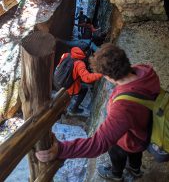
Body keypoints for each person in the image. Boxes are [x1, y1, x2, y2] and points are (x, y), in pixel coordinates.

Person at [36, 43, 160, 181]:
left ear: (107, 76)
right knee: (136, 152)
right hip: (143, 131)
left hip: (127, 139)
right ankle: (135, 170)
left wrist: (61, 150)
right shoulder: (146, 71)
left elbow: (98, 143)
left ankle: (116, 174)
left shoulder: (123, 108)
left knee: (116, 152)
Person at [57, 46, 102, 115]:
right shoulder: (79, 64)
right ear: (83, 53)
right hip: (69, 87)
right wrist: (100, 74)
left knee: (72, 89)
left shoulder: (66, 55)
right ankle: (74, 109)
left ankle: (64, 103)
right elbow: (87, 78)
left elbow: (60, 66)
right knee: (84, 90)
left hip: (57, 80)